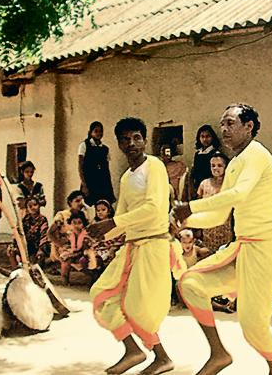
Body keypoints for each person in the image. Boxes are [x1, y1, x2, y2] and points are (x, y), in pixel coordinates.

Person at [173, 104, 272, 375]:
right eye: (222, 124)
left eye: (230, 123)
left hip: (268, 246)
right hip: (243, 246)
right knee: (190, 283)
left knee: (253, 326)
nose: (224, 129)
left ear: (249, 127)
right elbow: (221, 214)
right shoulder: (235, 162)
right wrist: (184, 222)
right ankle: (218, 354)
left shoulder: (257, 154)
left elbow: (238, 194)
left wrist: (191, 207)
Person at [87, 117, 184, 375]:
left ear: (144, 140)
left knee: (139, 308)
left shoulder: (155, 166)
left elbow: (154, 209)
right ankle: (133, 350)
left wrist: (111, 223)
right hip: (132, 247)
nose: (132, 143)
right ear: (118, 144)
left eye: (137, 138)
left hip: (154, 246)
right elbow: (121, 218)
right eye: (125, 139)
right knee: (101, 296)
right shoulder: (125, 178)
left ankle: (161, 358)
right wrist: (100, 234)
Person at [196, 152, 233, 252]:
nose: (216, 168)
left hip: (225, 228)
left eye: (220, 165)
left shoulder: (230, 184)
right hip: (208, 229)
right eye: (213, 165)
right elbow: (199, 207)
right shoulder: (204, 184)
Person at [78, 121, 116, 206]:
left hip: (103, 181)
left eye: (100, 131)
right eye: (96, 131)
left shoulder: (105, 149)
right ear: (91, 132)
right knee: (91, 204)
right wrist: (84, 184)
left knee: (103, 205)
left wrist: (109, 186)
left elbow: (106, 169)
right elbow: (80, 166)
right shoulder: (84, 145)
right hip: (90, 180)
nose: (99, 133)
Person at [6, 196, 49, 268]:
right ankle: (16, 271)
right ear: (27, 209)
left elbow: (44, 235)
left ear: (39, 205)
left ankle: (38, 273)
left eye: (35, 205)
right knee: (11, 251)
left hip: (38, 245)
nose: (33, 208)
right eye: (30, 206)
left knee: (39, 256)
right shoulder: (25, 219)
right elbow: (19, 233)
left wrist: (41, 249)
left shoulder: (42, 219)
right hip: (27, 245)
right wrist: (14, 244)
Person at [48, 190, 88, 264]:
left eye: (82, 201)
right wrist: (59, 244)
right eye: (77, 201)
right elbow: (50, 233)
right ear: (70, 202)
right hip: (63, 246)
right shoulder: (62, 215)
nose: (80, 204)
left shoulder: (83, 215)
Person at [58, 211, 97, 285]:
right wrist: (66, 250)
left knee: (85, 262)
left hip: (84, 254)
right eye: (74, 223)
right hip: (73, 254)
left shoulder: (86, 235)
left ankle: (93, 279)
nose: (76, 225)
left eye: (79, 223)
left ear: (83, 224)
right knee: (65, 261)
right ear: (70, 223)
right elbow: (65, 245)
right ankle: (65, 280)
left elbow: (87, 248)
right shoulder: (69, 234)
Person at [91, 199, 125, 271]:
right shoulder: (95, 225)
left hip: (112, 248)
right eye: (98, 210)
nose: (100, 212)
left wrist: (113, 247)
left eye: (103, 210)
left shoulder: (114, 224)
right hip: (98, 249)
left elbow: (120, 237)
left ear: (109, 211)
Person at [188, 124, 221, 198]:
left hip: (210, 188)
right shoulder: (198, 154)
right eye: (202, 136)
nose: (205, 139)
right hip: (198, 188)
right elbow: (193, 172)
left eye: (208, 136)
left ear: (212, 137)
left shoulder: (215, 154)